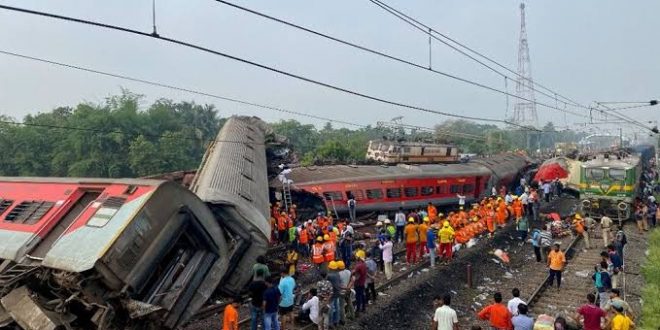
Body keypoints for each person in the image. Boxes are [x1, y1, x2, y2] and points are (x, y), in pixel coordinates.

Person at [326, 261, 342, 328]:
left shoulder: (329, 275)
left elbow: (326, 285)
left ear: (330, 268)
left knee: (331, 309)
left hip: (332, 294)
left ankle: (330, 323)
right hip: (337, 293)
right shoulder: (338, 274)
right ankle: (337, 321)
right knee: (337, 307)